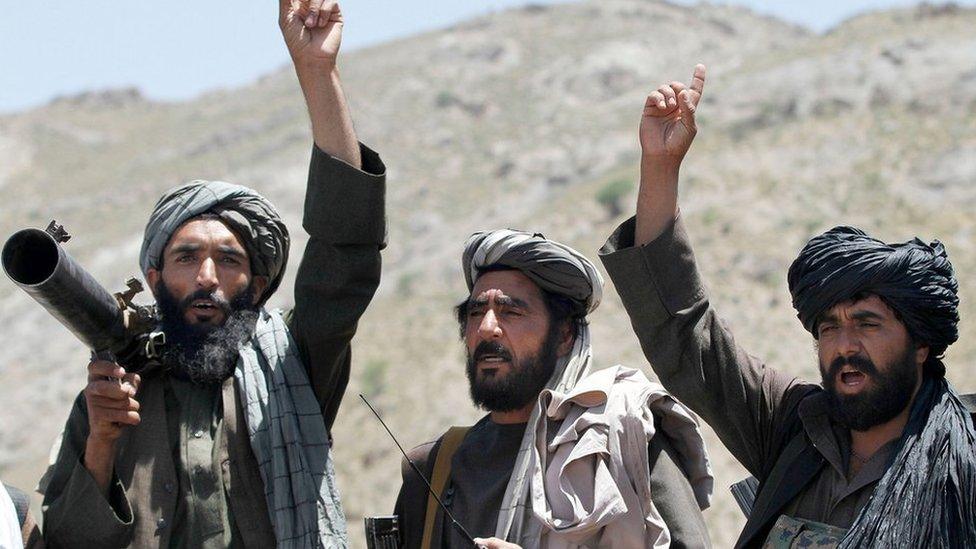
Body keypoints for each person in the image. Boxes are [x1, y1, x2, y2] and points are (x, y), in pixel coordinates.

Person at [39, 1, 386, 546]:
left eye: (230, 260)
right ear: (153, 279)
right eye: (186, 258)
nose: (207, 276)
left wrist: (317, 72)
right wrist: (103, 441)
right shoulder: (113, 390)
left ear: (259, 284)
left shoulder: (294, 367)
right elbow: (63, 539)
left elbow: (347, 253)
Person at [599, 64, 976, 547]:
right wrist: (660, 166)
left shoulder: (960, 465)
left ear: (921, 344)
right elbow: (683, 332)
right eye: (829, 328)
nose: (846, 346)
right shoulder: (794, 428)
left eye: (867, 324)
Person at [394, 231, 714, 548]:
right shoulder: (433, 466)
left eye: (510, 312)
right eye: (476, 313)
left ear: (563, 336)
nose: (486, 328)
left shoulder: (623, 437)